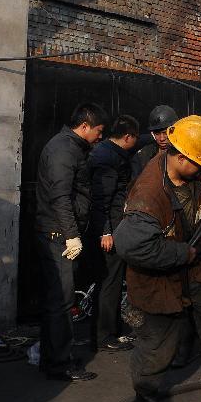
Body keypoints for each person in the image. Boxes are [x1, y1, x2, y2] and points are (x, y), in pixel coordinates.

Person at [114, 115, 201, 402]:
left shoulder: (187, 174)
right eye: (199, 163)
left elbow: (190, 205)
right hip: (161, 271)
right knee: (158, 339)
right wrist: (182, 252)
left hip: (196, 260)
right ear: (180, 156)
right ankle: (146, 394)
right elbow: (133, 246)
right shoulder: (148, 194)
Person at [35, 102, 109, 381]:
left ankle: (54, 358)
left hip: (58, 233)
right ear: (85, 126)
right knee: (61, 302)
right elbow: (60, 197)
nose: (100, 136)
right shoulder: (64, 150)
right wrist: (71, 235)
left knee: (58, 301)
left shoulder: (71, 147)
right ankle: (58, 364)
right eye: (99, 131)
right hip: (58, 236)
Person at [87, 114, 139, 352]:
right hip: (110, 230)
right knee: (109, 282)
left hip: (114, 226)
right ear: (127, 137)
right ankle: (104, 334)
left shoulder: (108, 151)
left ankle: (112, 328)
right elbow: (102, 199)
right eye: (134, 139)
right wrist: (106, 232)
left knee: (112, 281)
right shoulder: (109, 159)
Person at [130, 105, 178, 181]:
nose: (161, 138)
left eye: (165, 133)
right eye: (157, 134)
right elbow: (135, 185)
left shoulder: (184, 153)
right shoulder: (142, 156)